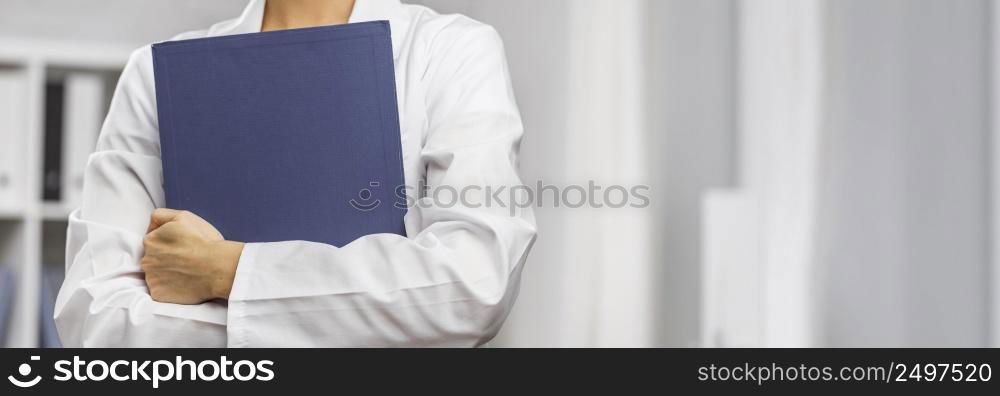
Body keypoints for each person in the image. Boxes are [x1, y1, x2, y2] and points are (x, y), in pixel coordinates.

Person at [54, 0, 536, 347]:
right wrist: (361, 317)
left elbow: (472, 283)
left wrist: (227, 271)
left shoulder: (450, 52)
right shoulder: (156, 73)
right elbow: (96, 320)